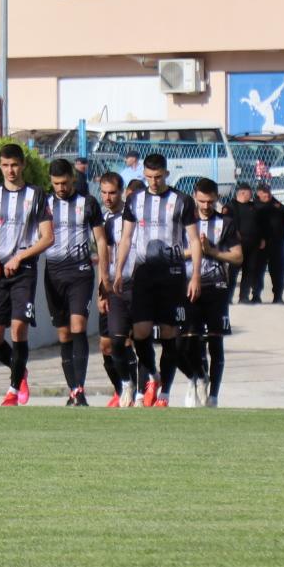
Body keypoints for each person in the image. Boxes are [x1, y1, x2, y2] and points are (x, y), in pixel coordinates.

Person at [0, 144, 54, 408]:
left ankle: (13, 390)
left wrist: (20, 257)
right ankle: (20, 370)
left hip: (23, 271)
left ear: (23, 164)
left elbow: (48, 237)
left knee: (18, 327)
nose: (10, 170)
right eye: (5, 165)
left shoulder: (36, 195)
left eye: (14, 165)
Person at [111, 153, 202, 408]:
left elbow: (194, 240)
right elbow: (126, 238)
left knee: (169, 332)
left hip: (172, 273)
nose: (153, 181)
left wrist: (194, 275)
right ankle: (152, 374)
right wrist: (119, 270)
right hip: (143, 272)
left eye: (158, 176)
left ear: (166, 174)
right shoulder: (135, 200)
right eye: (149, 177)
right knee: (140, 331)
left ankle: (165, 395)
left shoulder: (181, 201)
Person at [41, 156, 107, 406]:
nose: (61, 188)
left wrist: (104, 274)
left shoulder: (87, 203)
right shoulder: (43, 204)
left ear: (72, 179)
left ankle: (79, 389)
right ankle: (73, 391)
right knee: (64, 333)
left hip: (80, 272)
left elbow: (100, 240)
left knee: (78, 326)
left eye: (65, 182)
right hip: (53, 274)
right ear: (51, 181)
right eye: (56, 183)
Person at [189, 179, 240, 407]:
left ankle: (213, 396)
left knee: (215, 342)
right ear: (194, 197)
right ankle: (199, 377)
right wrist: (194, 251)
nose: (206, 205)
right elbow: (176, 251)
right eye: (202, 201)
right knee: (190, 341)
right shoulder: (185, 222)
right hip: (190, 287)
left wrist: (212, 251)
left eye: (210, 201)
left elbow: (237, 256)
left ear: (217, 198)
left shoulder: (225, 223)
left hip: (217, 287)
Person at [94, 173, 140, 406]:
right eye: (103, 192)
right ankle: (121, 387)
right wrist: (101, 290)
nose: (107, 197)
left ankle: (135, 389)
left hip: (131, 284)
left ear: (121, 192)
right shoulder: (100, 218)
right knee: (106, 344)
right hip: (108, 285)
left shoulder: (131, 217)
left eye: (112, 192)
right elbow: (103, 257)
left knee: (126, 340)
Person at [254, 183, 284, 304]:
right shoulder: (254, 206)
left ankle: (278, 296)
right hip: (260, 245)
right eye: (264, 192)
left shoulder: (278, 206)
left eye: (268, 191)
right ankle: (256, 295)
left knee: (278, 270)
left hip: (277, 244)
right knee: (257, 270)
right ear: (258, 193)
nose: (267, 194)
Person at [228, 183, 261, 303]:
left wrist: (261, 238)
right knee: (233, 273)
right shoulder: (231, 206)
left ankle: (244, 297)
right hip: (237, 245)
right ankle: (228, 298)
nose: (251, 195)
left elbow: (260, 223)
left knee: (249, 270)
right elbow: (226, 222)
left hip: (252, 244)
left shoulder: (253, 206)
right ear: (242, 193)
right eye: (249, 192)